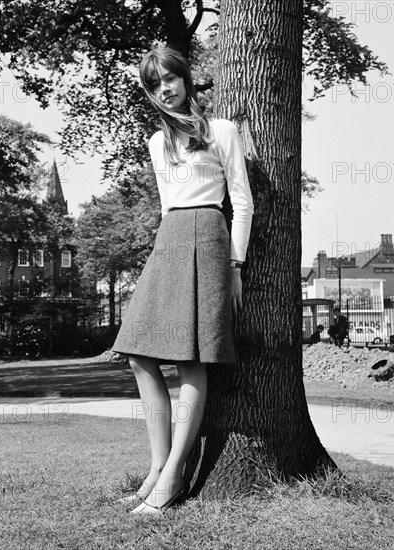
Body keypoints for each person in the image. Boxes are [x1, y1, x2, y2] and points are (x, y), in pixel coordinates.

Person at [110, 46, 254, 515]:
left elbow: (242, 201)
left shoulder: (222, 131)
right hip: (169, 235)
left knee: (192, 360)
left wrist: (236, 265)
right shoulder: (155, 141)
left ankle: (172, 476)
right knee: (138, 353)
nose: (164, 89)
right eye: (154, 85)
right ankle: (155, 467)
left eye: (170, 78)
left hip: (209, 236)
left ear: (186, 78)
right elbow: (167, 201)